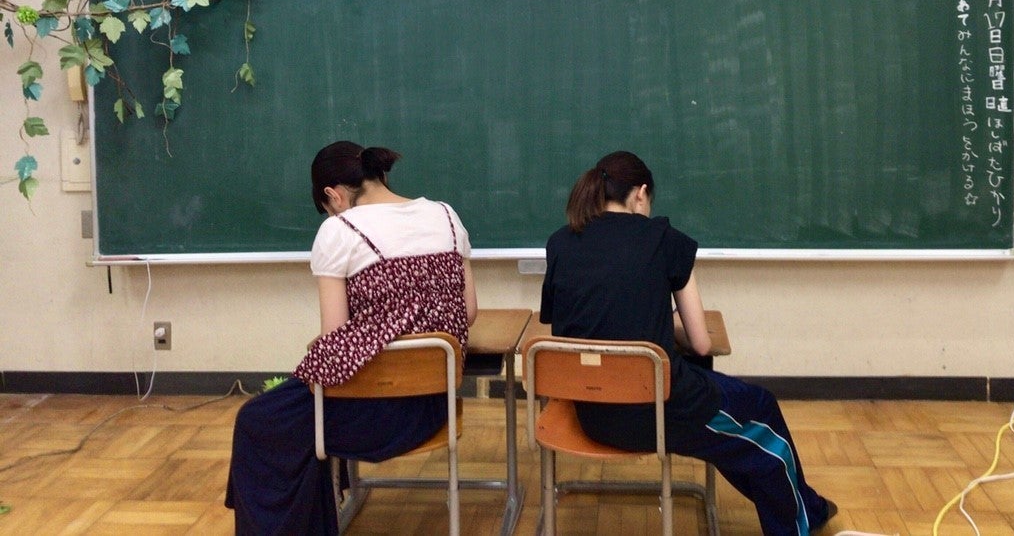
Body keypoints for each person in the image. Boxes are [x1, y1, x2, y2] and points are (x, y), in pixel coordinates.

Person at [540, 151, 838, 536]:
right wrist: (665, 328)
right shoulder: (664, 239)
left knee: (739, 433)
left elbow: (564, 330)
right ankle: (802, 519)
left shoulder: (560, 242)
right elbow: (700, 343)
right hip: (656, 414)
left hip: (591, 415)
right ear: (640, 194)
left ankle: (805, 506)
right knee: (761, 413)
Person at [225, 141, 478, 535]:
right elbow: (469, 312)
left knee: (258, 421)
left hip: (371, 414)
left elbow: (335, 338)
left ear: (334, 195)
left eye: (328, 207)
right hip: (433, 406)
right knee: (291, 419)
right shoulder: (446, 215)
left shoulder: (339, 230)